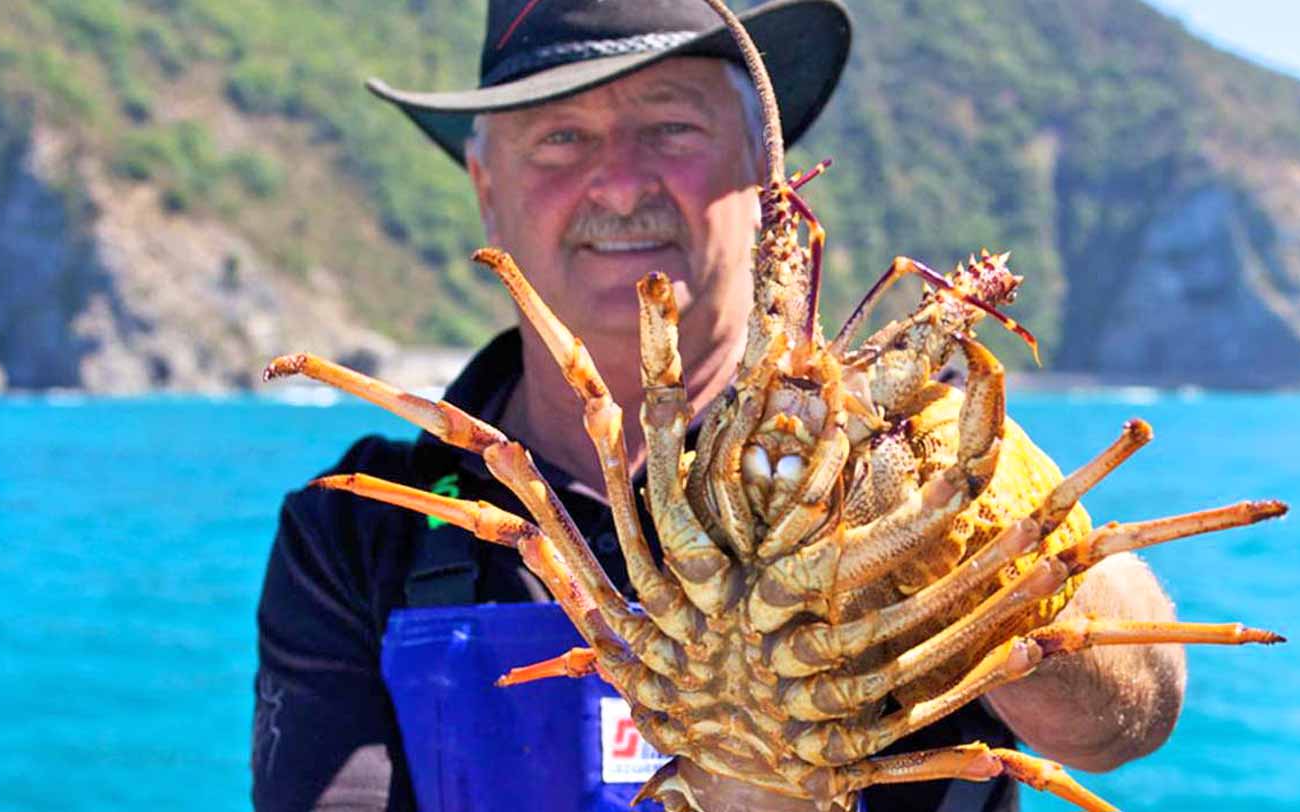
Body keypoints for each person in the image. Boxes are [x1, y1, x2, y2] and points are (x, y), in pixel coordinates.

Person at [251, 1, 1188, 810]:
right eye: (561, 137)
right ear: (485, 189)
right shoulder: (358, 525)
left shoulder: (900, 472)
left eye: (672, 128)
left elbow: (1126, 719)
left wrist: (974, 527)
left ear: (759, 175)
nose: (620, 183)